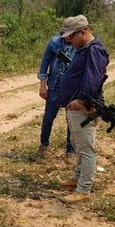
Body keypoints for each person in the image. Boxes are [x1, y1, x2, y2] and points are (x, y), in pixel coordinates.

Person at [57, 15, 109, 204]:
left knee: (86, 148)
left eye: (71, 36)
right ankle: (77, 178)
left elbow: (93, 79)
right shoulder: (83, 49)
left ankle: (83, 189)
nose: (69, 40)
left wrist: (81, 100)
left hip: (84, 107)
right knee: (78, 144)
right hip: (75, 105)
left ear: (84, 31)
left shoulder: (95, 51)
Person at [37, 33, 75, 161]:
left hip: (72, 88)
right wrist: (43, 86)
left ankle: (71, 150)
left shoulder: (80, 44)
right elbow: (44, 65)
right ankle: (43, 145)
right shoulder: (54, 43)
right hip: (54, 86)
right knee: (48, 118)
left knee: (71, 120)